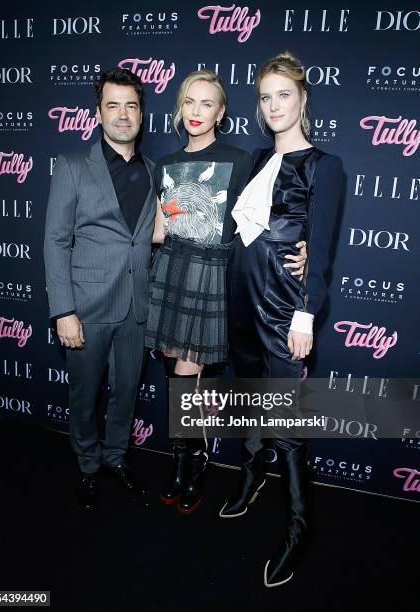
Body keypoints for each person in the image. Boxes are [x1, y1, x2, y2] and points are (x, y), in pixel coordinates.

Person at [147, 69, 308, 514]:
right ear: (179, 109)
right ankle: (186, 459)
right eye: (189, 103)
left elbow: (280, 209)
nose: (196, 112)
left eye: (207, 104)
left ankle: (193, 463)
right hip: (172, 273)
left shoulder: (244, 159)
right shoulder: (164, 163)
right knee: (176, 378)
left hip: (216, 276)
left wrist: (305, 243)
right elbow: (160, 229)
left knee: (188, 376)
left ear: (221, 111)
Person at [219, 51, 343, 588]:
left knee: (288, 424)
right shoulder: (251, 159)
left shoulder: (324, 165)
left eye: (283, 95)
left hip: (283, 307)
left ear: (303, 98)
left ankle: (299, 526)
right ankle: (251, 475)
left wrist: (305, 316)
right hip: (241, 300)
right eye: (265, 97)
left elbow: (324, 249)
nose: (273, 105)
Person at [44, 67, 155, 510]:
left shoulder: (152, 170)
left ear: (141, 114)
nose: (122, 115)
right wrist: (63, 310)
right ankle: (88, 466)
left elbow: (162, 232)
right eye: (113, 105)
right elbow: (55, 240)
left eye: (131, 105)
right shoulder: (73, 166)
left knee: (126, 392)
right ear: (99, 112)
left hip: (136, 308)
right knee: (84, 395)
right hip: (85, 307)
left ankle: (115, 457)